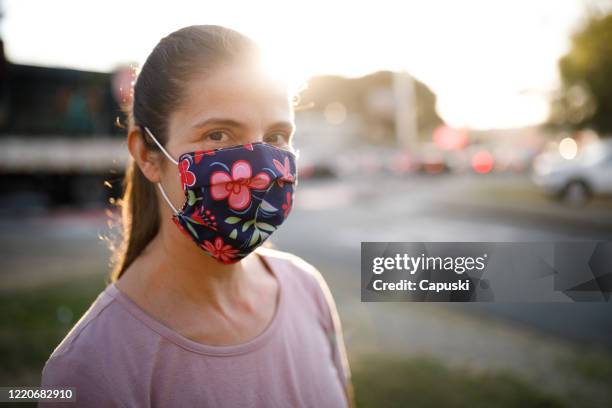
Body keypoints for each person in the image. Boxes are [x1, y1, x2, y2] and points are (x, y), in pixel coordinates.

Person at [40, 25, 353, 407]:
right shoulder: (92, 366)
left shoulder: (307, 289)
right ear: (147, 155)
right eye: (218, 135)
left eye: (275, 137)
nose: (257, 166)